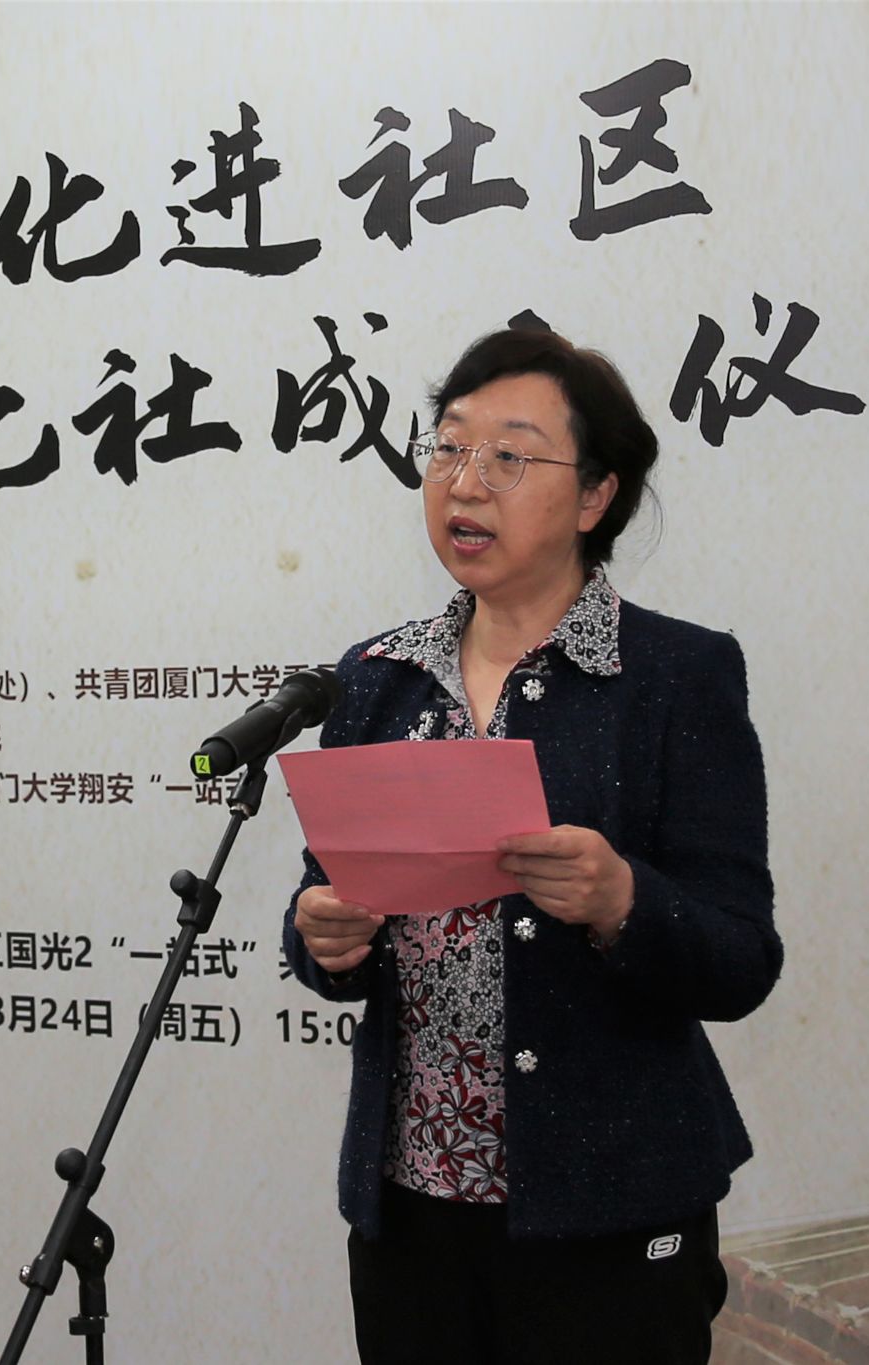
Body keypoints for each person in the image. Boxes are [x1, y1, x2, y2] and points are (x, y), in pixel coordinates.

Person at [282, 327, 782, 1365]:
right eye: (449, 448)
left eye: (509, 457)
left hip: (609, 1209)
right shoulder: (376, 679)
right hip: (412, 1206)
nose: (464, 484)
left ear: (594, 496)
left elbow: (741, 957)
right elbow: (328, 910)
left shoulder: (673, 677)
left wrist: (622, 900)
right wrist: (321, 937)